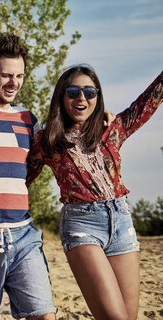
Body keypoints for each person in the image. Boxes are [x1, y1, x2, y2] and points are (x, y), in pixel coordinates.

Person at [27, 66, 163, 319]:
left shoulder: (113, 128)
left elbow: (150, 99)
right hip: (82, 225)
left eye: (90, 92)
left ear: (98, 98)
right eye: (73, 91)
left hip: (122, 221)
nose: (82, 98)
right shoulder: (47, 140)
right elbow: (19, 178)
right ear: (61, 97)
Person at [0, 33, 56, 320]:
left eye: (20, 76)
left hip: (24, 234)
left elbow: (37, 163)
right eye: (6, 75)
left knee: (44, 314)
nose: (14, 83)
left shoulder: (28, 119)